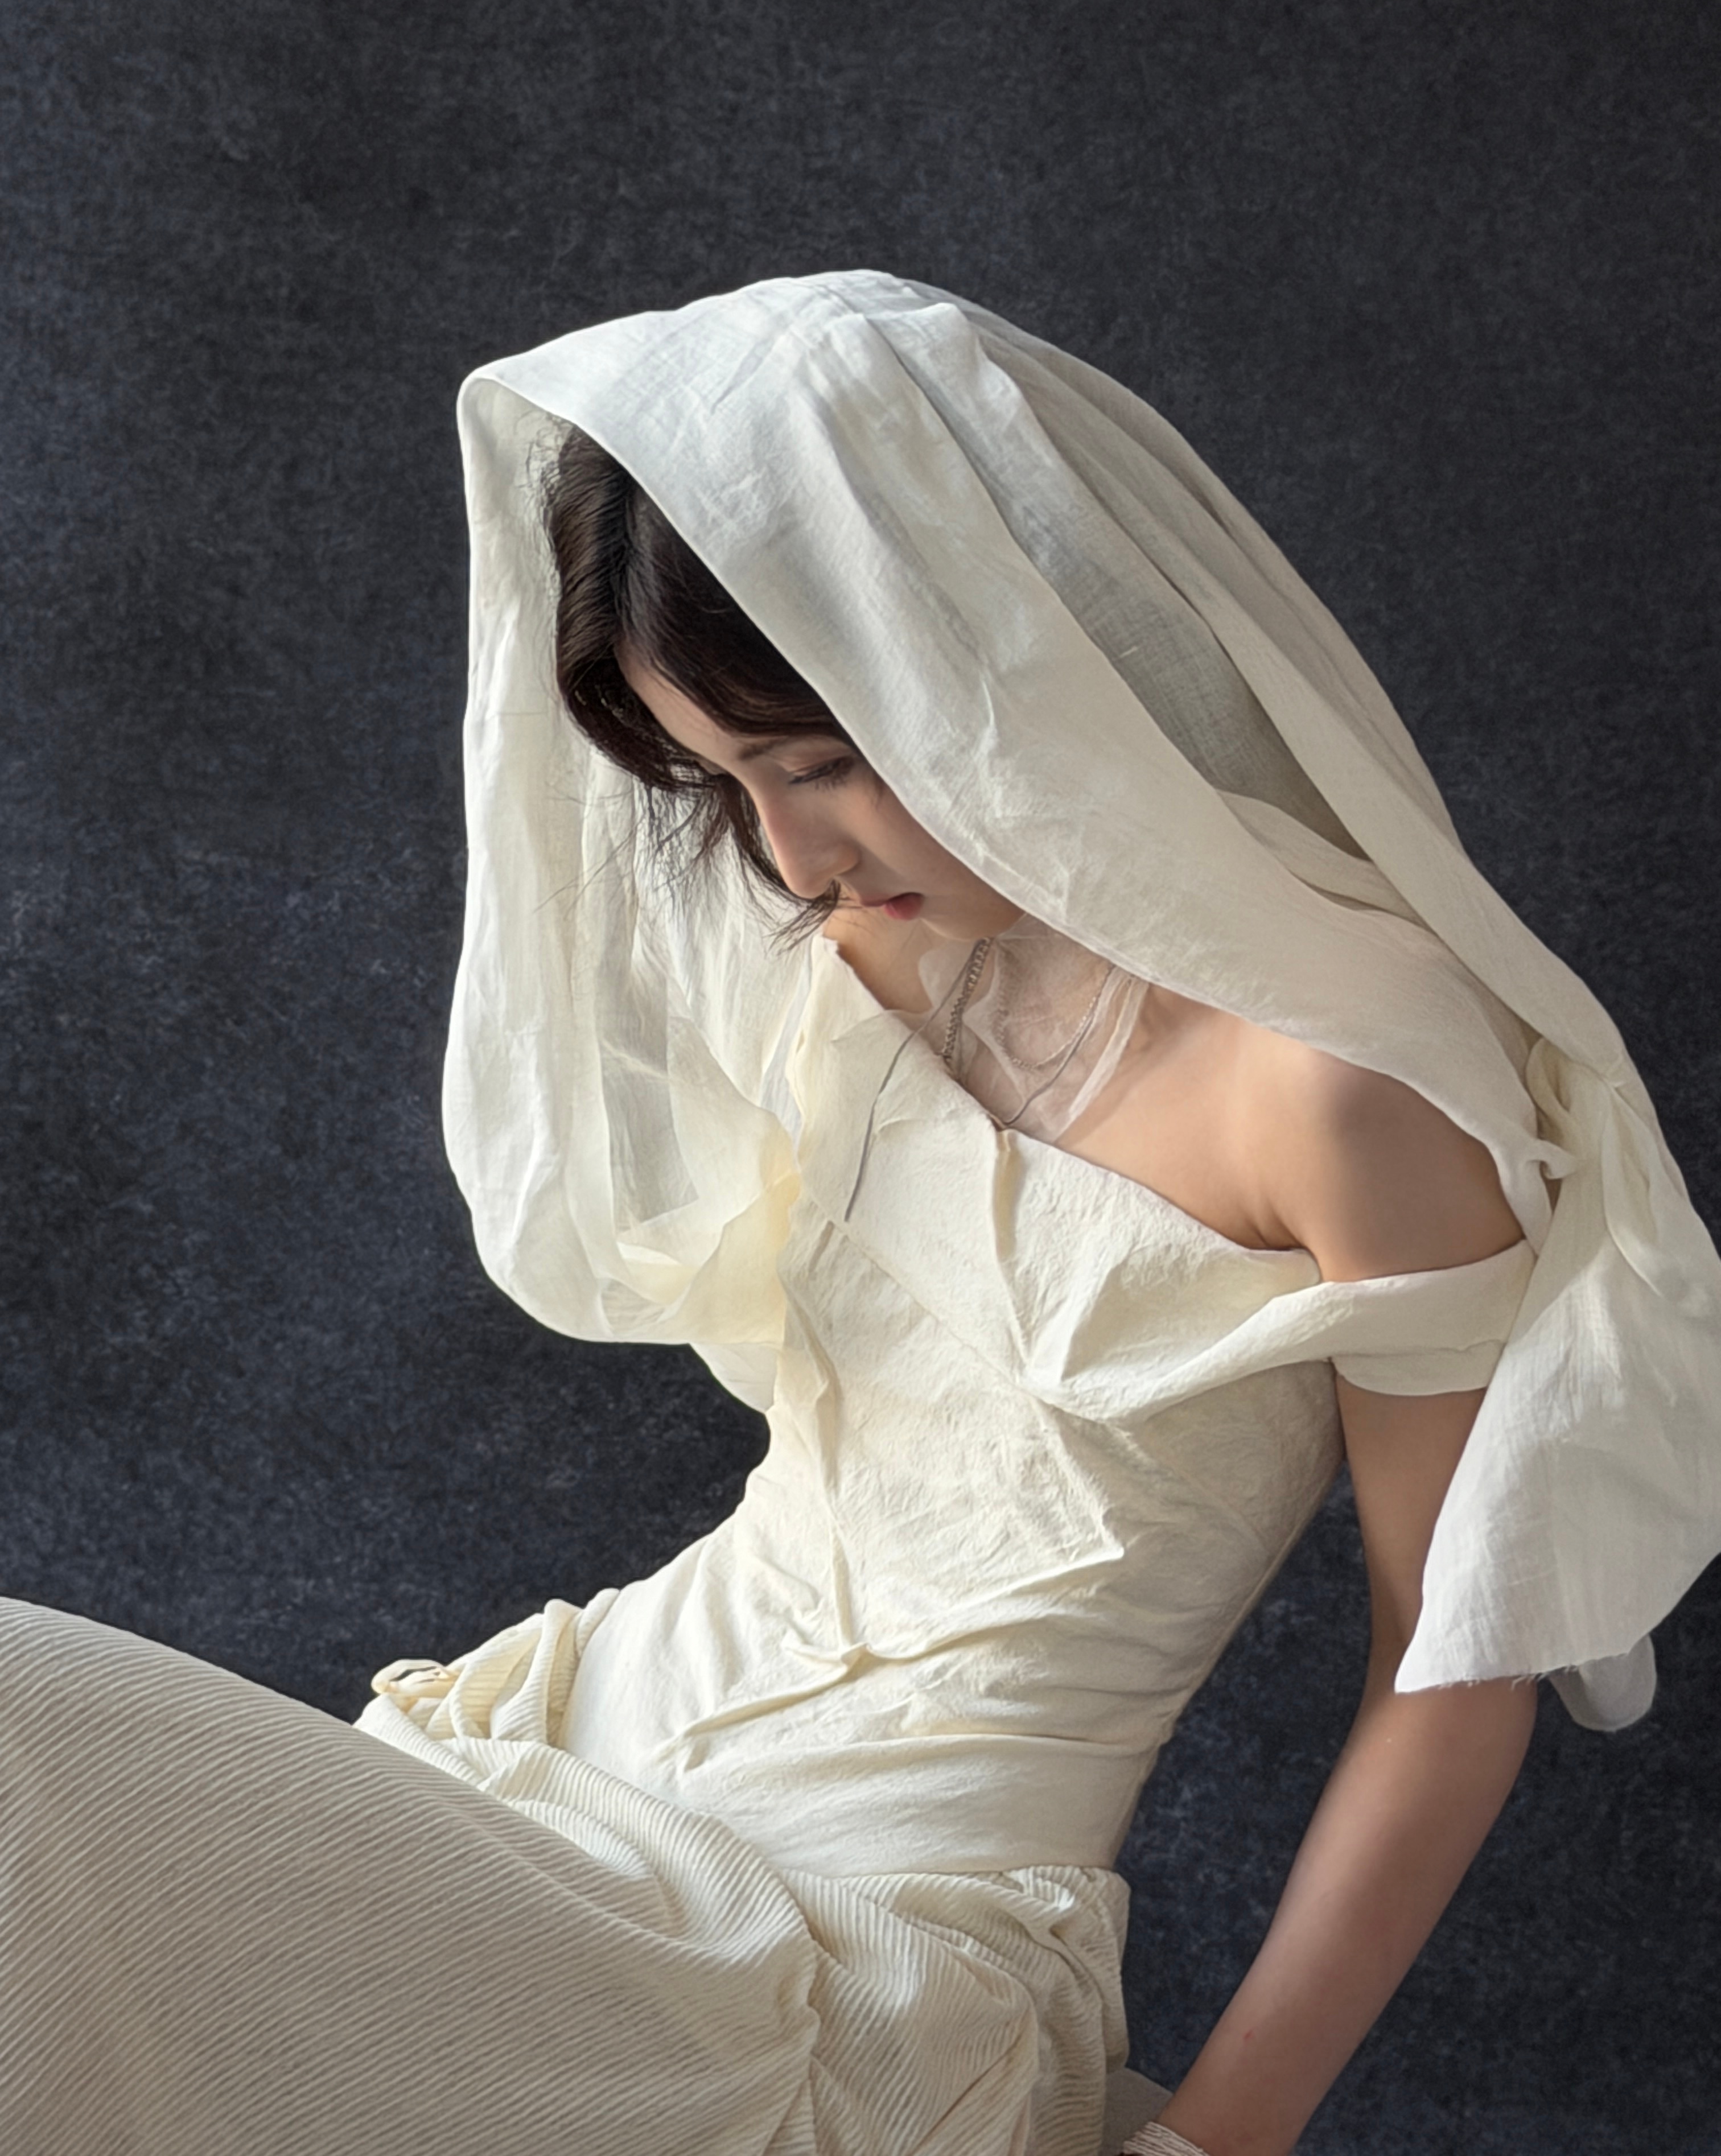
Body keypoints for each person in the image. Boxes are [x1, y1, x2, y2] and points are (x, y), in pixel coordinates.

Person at [2, 270, 1716, 2156]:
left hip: (845, 1965)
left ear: (987, 654)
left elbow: (1448, 1667)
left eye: (819, 763)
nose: (792, 856)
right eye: (728, 781)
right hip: (556, 1773)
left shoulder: (1342, 1088)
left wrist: (1212, 2142)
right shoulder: (863, 951)